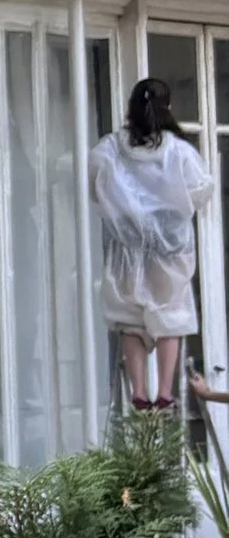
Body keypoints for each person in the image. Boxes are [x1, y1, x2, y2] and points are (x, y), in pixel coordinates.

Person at [91, 75, 218, 414]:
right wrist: (170, 207)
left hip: (127, 246)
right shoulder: (177, 150)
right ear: (168, 107)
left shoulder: (112, 148)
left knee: (130, 318)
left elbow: (95, 183)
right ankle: (164, 393)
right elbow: (202, 189)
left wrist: (127, 210)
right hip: (170, 247)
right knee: (170, 315)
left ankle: (139, 393)